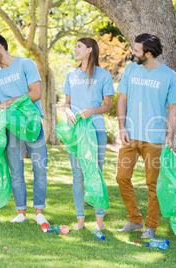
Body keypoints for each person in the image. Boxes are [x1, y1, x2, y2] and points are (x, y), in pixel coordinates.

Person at [116, 33, 176, 238]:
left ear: (149, 53)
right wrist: (122, 127)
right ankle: (134, 220)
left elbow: (173, 108)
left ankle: (151, 225)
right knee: (121, 177)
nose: (132, 53)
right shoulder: (131, 69)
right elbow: (122, 99)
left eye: (136, 50)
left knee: (153, 184)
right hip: (130, 136)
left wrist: (170, 135)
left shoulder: (169, 75)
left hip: (154, 139)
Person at [0, 34, 48, 225]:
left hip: (32, 124)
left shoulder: (26, 64)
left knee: (40, 168)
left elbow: (36, 93)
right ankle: (21, 211)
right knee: (16, 170)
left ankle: (39, 211)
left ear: (0, 47)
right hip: (11, 127)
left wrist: (10, 101)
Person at [63, 38, 114, 231]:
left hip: (96, 129)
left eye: (79, 46)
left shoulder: (104, 75)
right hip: (75, 131)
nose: (75, 49)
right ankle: (80, 221)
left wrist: (91, 110)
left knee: (96, 173)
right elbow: (66, 103)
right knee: (78, 175)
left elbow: (107, 106)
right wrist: (67, 112)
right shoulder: (71, 74)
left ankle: (99, 221)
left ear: (90, 50)